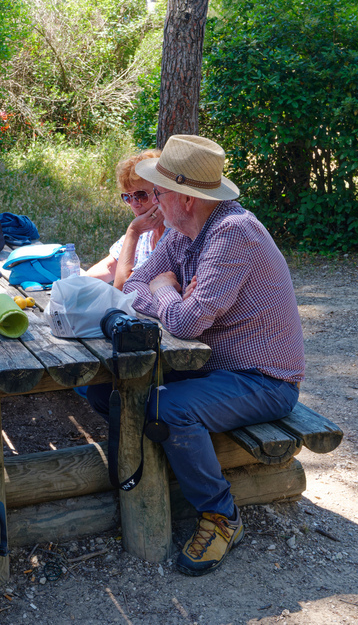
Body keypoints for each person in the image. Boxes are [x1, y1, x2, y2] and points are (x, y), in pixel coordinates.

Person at [84, 135, 305, 575]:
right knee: (101, 387)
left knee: (169, 407)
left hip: (264, 379)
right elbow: (132, 285)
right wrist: (166, 294)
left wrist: (163, 290)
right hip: (215, 366)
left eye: (158, 193)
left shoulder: (232, 232)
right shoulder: (187, 231)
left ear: (185, 198)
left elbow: (183, 322)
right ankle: (153, 472)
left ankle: (222, 516)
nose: (152, 204)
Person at [84, 149, 167, 290]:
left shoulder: (174, 236)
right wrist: (77, 283)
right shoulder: (145, 232)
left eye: (141, 195)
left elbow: (123, 287)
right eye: (128, 197)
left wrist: (133, 231)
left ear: (160, 192)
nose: (134, 204)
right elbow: (109, 267)